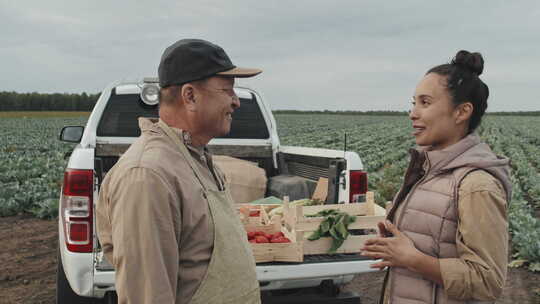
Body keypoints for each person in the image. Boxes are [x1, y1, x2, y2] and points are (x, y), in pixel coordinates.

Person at [96, 39, 262, 304]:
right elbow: (148, 296)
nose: (236, 102)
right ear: (190, 96)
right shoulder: (148, 176)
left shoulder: (196, 157)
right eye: (227, 90)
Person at [361, 50, 511, 304]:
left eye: (425, 103)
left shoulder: (477, 185)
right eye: (413, 103)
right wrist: (395, 241)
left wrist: (413, 259)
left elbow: (488, 282)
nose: (413, 113)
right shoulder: (428, 169)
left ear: (461, 112)